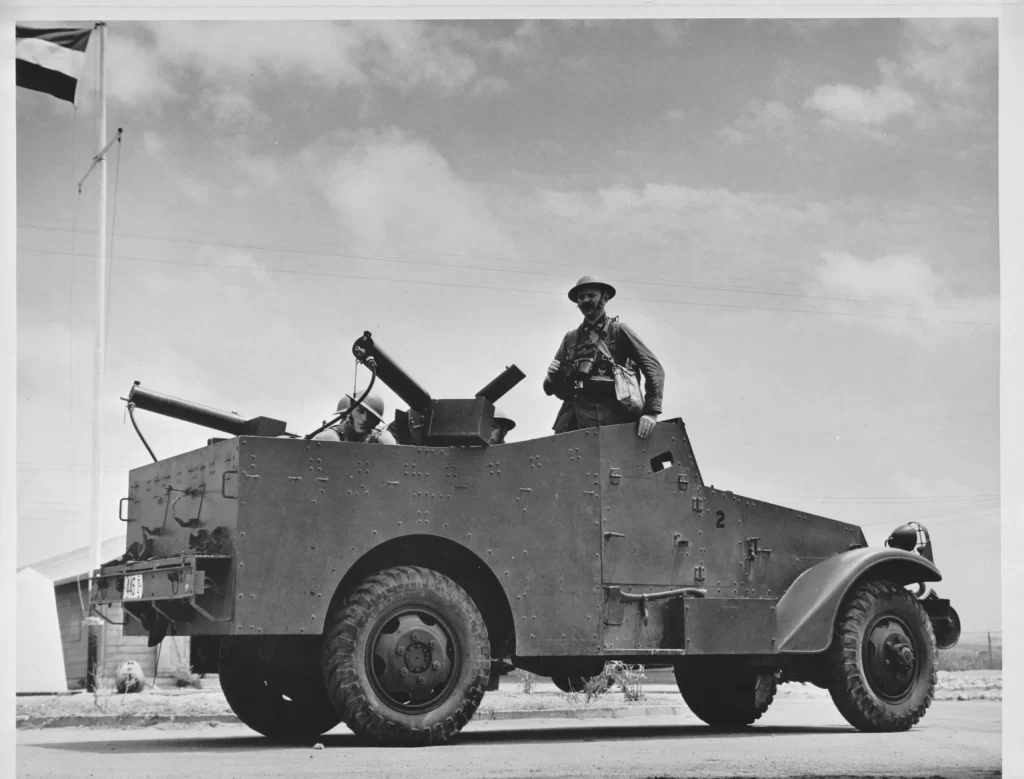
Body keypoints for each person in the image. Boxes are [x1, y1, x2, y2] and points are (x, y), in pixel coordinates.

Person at [543, 275, 664, 439]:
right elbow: (558, 391)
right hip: (573, 420)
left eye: (591, 295)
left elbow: (654, 369)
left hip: (612, 420)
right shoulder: (570, 338)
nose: (585, 300)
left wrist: (651, 412)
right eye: (581, 297)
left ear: (605, 298)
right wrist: (551, 378)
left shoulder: (618, 331)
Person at [313, 390, 397, 445]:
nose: (364, 419)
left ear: (376, 422)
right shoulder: (331, 437)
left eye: (370, 416)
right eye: (360, 412)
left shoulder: (378, 438)